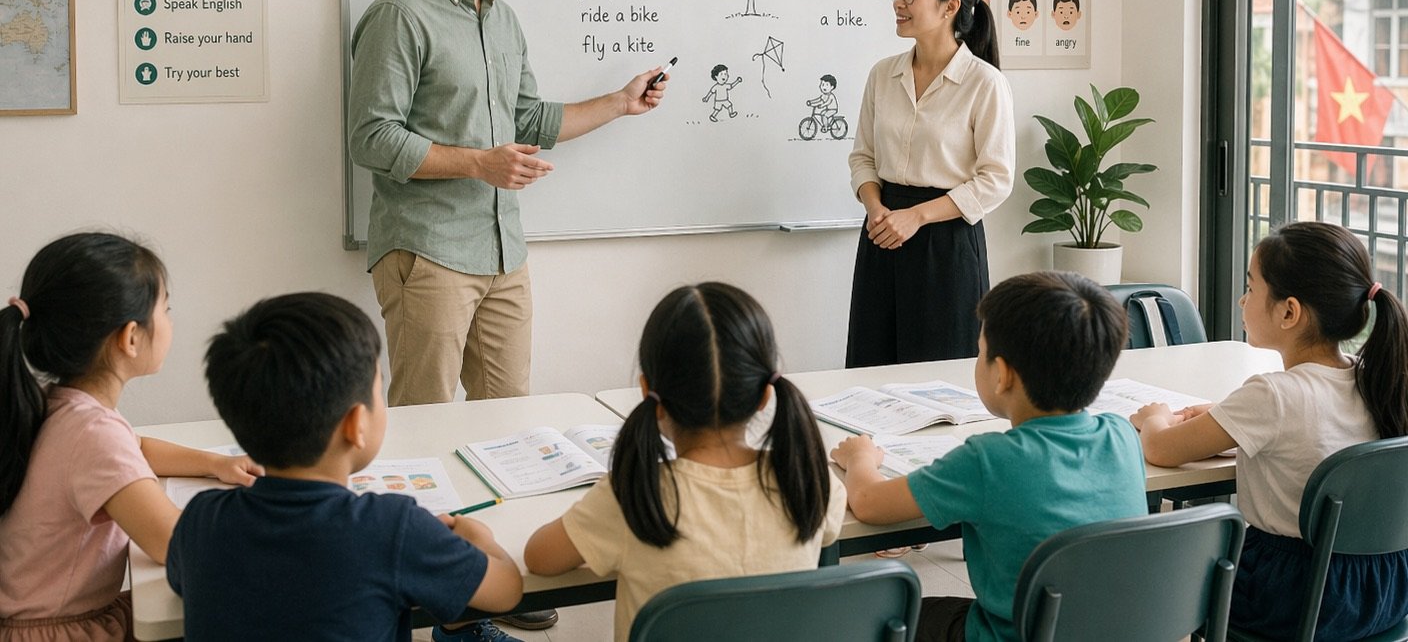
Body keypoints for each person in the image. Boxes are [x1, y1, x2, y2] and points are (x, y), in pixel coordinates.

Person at [347, 0, 668, 410]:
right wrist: (478, 164)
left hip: (504, 255)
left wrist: (620, 102)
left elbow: (527, 122)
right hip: (428, 252)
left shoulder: (501, 19)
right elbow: (372, 137)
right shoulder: (401, 14)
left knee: (510, 415)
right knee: (424, 417)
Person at [166, 292, 524, 642]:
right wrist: (478, 537)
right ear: (356, 424)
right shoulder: (394, 529)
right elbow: (507, 591)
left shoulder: (200, 518)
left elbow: (186, 585)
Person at [831, 271, 1147, 642]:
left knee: (877, 612)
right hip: (1113, 633)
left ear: (1003, 375)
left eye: (981, 352)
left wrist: (859, 458)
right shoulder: (1122, 435)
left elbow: (868, 503)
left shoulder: (988, 461)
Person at [522, 283, 846, 642]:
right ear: (764, 396)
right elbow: (830, 530)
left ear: (648, 392)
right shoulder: (810, 480)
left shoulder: (635, 495)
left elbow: (539, 558)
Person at [1132, 221, 1408, 640]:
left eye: (1251, 287)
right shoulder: (1376, 381)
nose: (1243, 299)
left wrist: (1154, 415)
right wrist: (1226, 419)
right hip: (1381, 591)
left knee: (1168, 574)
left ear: (1289, 311)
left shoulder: (1272, 396)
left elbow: (1163, 449)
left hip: (1289, 597)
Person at [0, 232, 260, 642]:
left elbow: (135, 448)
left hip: (45, 616)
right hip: (64, 631)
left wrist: (214, 463)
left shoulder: (62, 405)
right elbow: (170, 542)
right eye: (166, 310)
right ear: (131, 337)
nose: (171, 321)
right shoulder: (90, 432)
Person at [847, 0, 1015, 366]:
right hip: (881, 233)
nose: (898, 3)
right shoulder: (882, 75)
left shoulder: (984, 83)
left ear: (950, 6)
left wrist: (917, 216)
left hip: (947, 242)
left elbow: (995, 179)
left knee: (941, 379)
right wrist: (876, 209)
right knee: (871, 370)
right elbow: (863, 156)